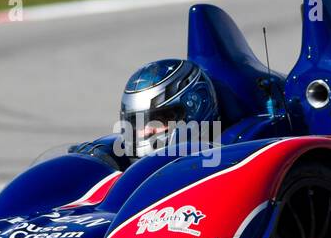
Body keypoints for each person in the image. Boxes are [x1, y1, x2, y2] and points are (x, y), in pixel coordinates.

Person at [70, 58, 219, 168]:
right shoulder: (115, 160)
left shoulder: (219, 162)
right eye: (136, 122)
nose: (145, 130)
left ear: (195, 108)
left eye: (159, 119)